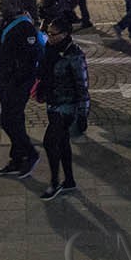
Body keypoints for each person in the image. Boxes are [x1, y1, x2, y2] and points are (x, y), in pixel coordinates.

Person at [36, 14, 90, 200]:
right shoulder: (49, 49)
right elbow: (44, 73)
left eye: (54, 34)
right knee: (62, 142)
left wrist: (83, 114)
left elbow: (82, 86)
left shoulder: (74, 55)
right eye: (48, 33)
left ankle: (54, 182)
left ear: (65, 34)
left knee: (50, 142)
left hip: (67, 106)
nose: (49, 37)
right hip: (53, 101)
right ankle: (69, 180)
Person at [0, 0, 42, 179]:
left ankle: (30, 154)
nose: (0, 9)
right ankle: (17, 158)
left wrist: (16, 80)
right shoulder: (6, 22)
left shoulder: (24, 27)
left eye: (4, 6)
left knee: (9, 121)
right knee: (13, 120)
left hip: (18, 83)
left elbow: (30, 58)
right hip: (6, 80)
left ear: (14, 6)